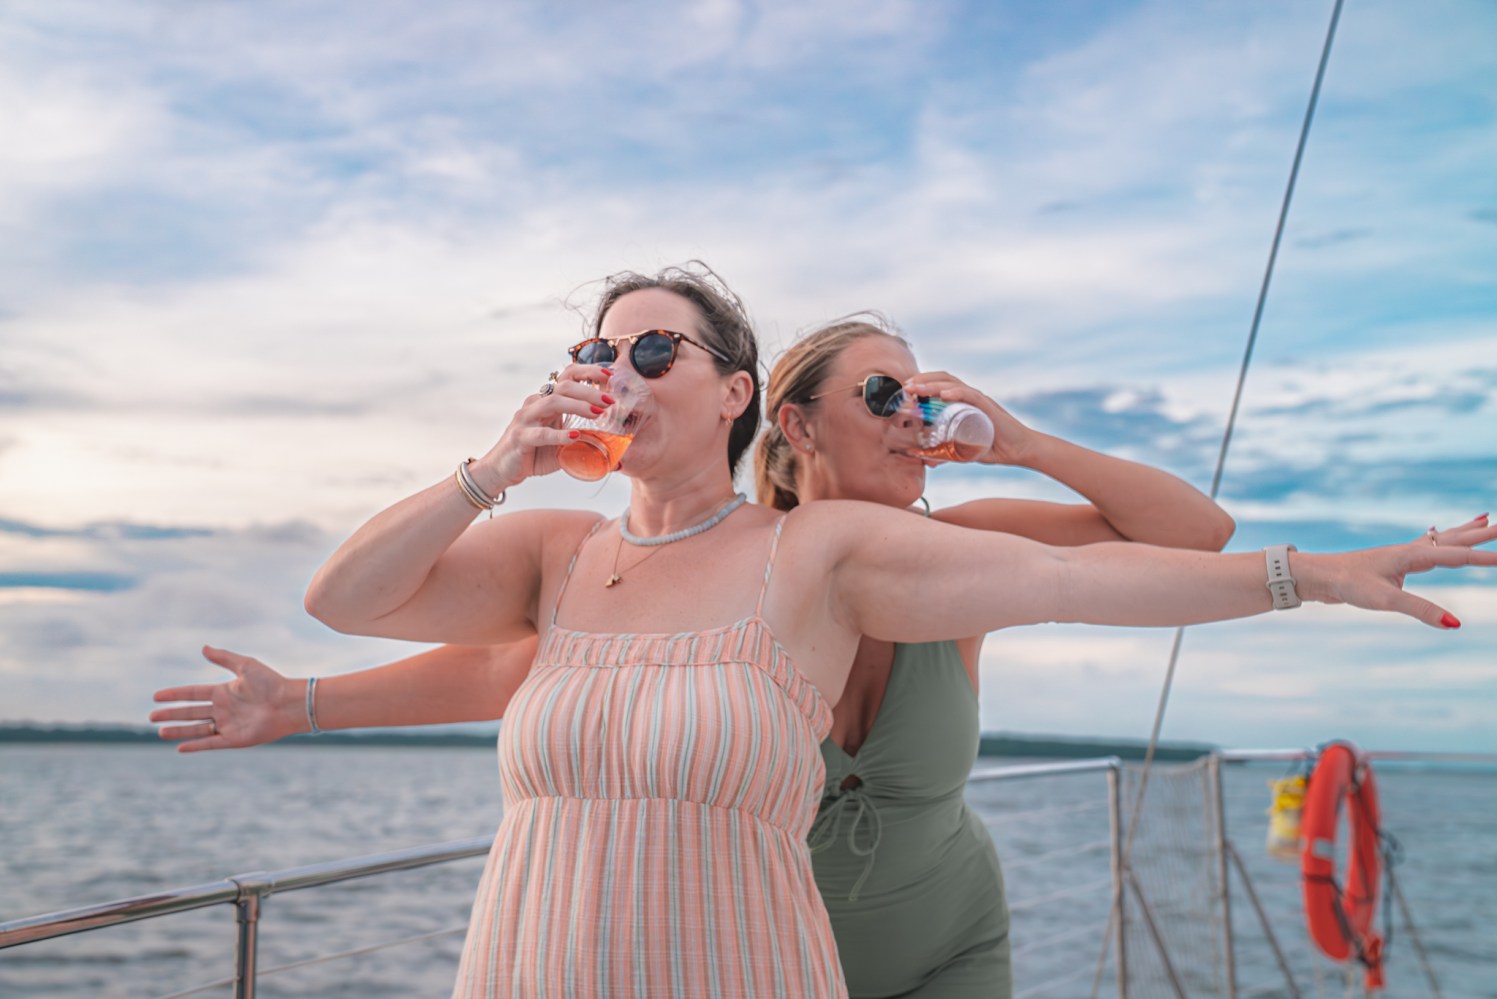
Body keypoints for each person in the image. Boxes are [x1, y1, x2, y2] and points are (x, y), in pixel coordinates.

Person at [158, 263, 1494, 999]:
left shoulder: (916, 551)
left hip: (888, 941)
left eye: (652, 353)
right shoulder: (616, 557)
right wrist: (316, 695)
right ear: (788, 420)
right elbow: (504, 664)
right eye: (882, 393)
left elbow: (1140, 564)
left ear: (732, 392)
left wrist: (1303, 569)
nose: (916, 414)